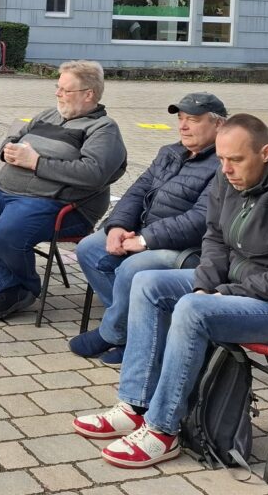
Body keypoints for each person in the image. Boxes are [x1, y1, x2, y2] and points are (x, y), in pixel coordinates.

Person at [72, 114, 268, 469]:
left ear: (264, 153)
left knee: (192, 310)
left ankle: (162, 430)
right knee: (149, 283)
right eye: (223, 158)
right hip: (245, 290)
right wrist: (204, 285)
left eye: (236, 160)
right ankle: (135, 404)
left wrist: (223, 291)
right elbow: (214, 237)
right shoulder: (227, 177)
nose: (226, 169)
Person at [0, 60, 127, 320]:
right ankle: (6, 284)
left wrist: (37, 162)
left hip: (58, 203)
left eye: (65, 90)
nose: (58, 94)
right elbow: (14, 138)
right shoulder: (48, 115)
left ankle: (24, 287)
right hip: (4, 190)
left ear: (89, 94)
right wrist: (9, 149)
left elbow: (93, 174)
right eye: (58, 87)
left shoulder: (103, 129)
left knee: (6, 232)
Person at [69, 93, 227, 364]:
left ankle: (114, 333)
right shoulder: (170, 152)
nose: (183, 126)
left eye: (193, 119)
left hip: (192, 249)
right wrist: (118, 226)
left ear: (219, 125)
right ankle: (136, 332)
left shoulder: (224, 164)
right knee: (89, 248)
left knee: (133, 268)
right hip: (147, 234)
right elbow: (137, 190)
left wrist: (144, 239)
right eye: (180, 119)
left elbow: (201, 220)